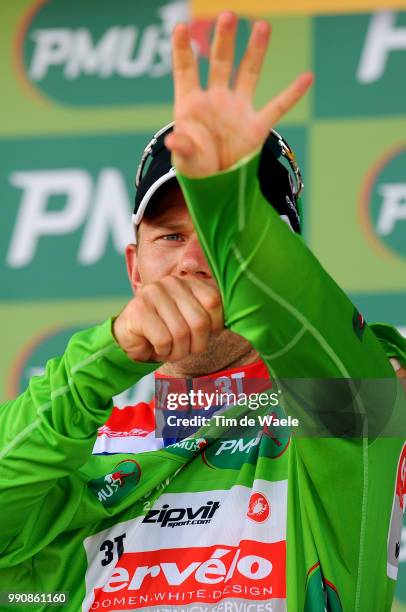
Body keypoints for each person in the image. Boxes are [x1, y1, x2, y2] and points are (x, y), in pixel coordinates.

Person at [0, 11, 405, 612]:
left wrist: (231, 205)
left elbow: (329, 361)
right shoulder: (70, 426)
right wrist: (108, 352)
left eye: (221, 242)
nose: (193, 261)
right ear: (135, 269)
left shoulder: (351, 396)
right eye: (169, 237)